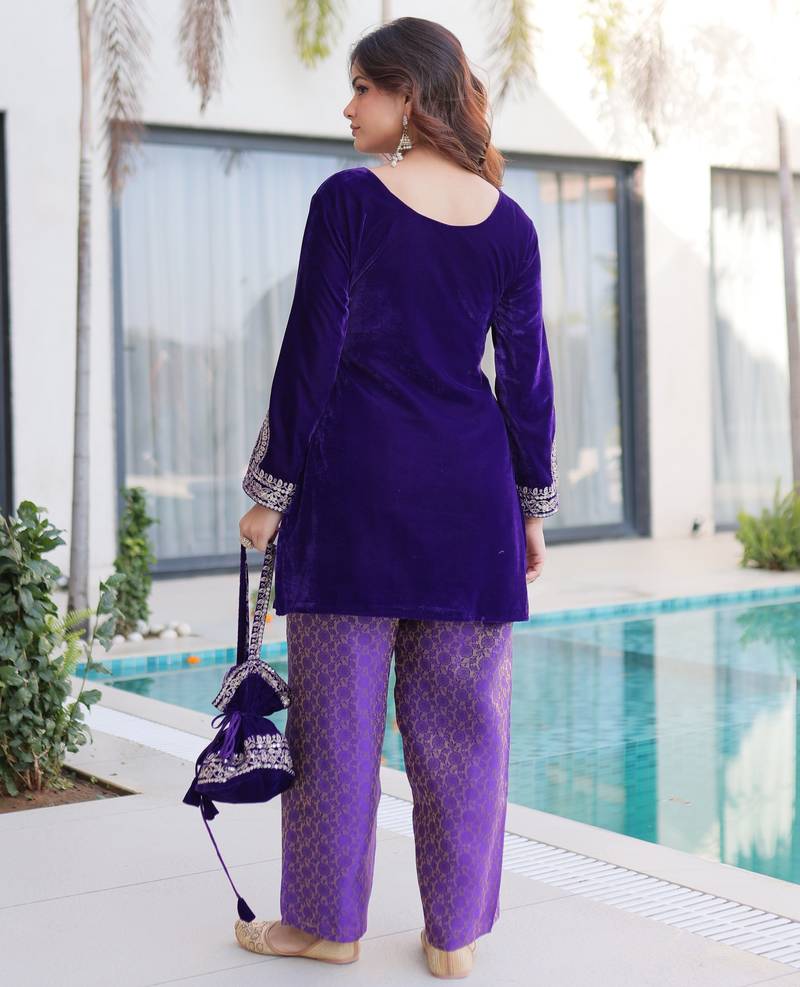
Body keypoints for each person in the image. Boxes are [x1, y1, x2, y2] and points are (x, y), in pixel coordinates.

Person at [235, 15, 559, 979]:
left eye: (362, 88)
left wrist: (270, 492)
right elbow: (527, 382)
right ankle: (454, 936)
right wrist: (530, 509)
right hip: (470, 509)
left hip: (354, 503)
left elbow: (310, 353)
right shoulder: (509, 223)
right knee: (465, 736)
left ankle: (327, 925)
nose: (348, 107)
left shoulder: (349, 203)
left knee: (335, 730)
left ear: (408, 96)